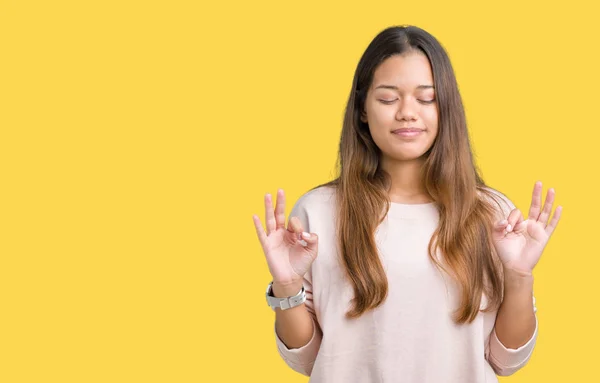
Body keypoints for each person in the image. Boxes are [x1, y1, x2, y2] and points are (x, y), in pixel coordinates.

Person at [252, 25, 562, 383]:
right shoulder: (318, 212)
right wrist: (287, 283)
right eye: (387, 99)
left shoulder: (492, 215)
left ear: (447, 106)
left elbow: (508, 360)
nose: (407, 113)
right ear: (363, 109)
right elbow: (306, 359)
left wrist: (519, 276)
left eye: (426, 98)